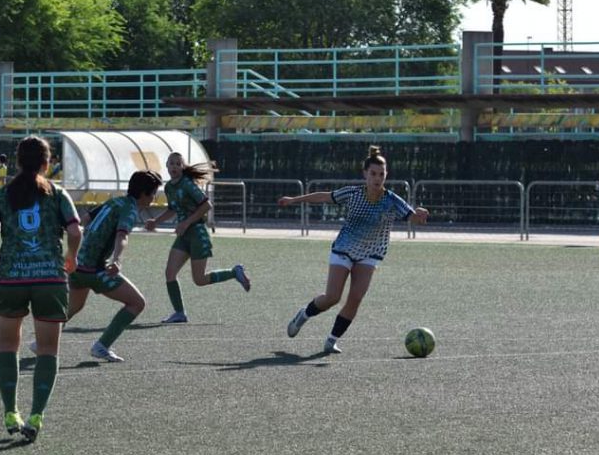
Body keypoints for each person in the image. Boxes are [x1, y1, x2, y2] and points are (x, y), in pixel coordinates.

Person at [0, 136, 81, 443]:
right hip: (50, 278)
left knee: (8, 345)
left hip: (11, 278)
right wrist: (71, 257)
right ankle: (36, 415)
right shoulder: (57, 193)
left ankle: (11, 412)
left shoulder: (2, 195)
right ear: (47, 163)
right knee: (48, 349)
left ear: (18, 162)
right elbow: (76, 230)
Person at [277, 146, 428, 353]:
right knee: (332, 297)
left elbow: (412, 217)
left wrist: (419, 215)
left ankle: (331, 340)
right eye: (373, 173)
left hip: (371, 254)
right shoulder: (353, 193)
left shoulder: (392, 200)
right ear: (365, 173)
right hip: (345, 248)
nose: (377, 178)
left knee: (355, 298)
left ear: (386, 175)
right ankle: (303, 315)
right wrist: (295, 200)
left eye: (381, 174)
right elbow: (323, 197)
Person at [64, 170, 162, 362]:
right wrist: (116, 259)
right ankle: (101, 346)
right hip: (94, 269)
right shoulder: (130, 209)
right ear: (143, 193)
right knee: (137, 303)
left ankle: (42, 342)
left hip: (77, 265)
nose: (153, 197)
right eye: (153, 193)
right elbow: (122, 235)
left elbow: (86, 219)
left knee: (73, 307)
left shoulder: (114, 201)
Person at [144, 152, 250, 323]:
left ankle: (234, 272)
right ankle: (179, 313)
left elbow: (206, 205)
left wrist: (185, 223)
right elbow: (172, 209)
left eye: (178, 164)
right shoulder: (169, 187)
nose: (174, 167)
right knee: (169, 273)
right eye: (171, 163)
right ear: (166, 166)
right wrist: (155, 221)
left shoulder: (187, 184)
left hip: (198, 234)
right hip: (184, 235)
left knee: (199, 280)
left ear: (183, 167)